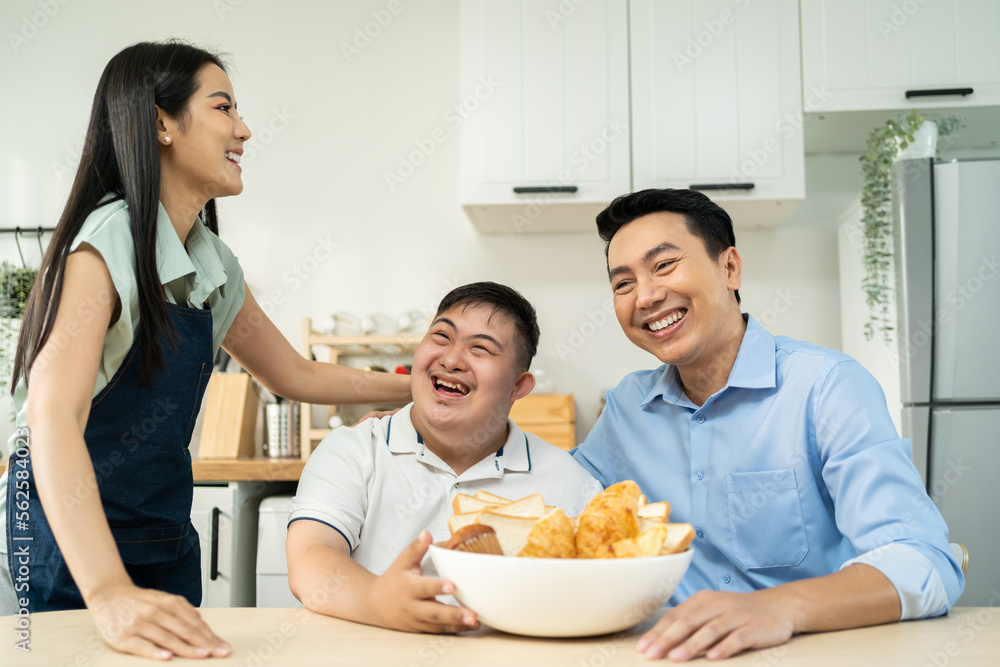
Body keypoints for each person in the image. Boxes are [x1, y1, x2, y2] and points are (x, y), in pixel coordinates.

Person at [0, 41, 410, 660]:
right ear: (161, 122)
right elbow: (53, 418)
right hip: (65, 531)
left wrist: (422, 387)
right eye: (224, 108)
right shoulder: (104, 247)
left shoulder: (212, 263)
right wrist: (108, 590)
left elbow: (294, 374)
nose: (243, 130)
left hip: (160, 523)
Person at [571, 189, 964, 661]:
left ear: (730, 268)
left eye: (664, 265)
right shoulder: (627, 408)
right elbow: (553, 509)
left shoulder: (827, 387)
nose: (647, 296)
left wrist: (777, 608)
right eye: (623, 284)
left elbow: (924, 562)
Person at [285, 281, 603, 632]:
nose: (451, 359)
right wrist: (379, 600)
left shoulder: (569, 483)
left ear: (518, 386)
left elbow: (595, 594)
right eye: (441, 336)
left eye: (480, 348)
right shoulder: (354, 450)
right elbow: (310, 562)